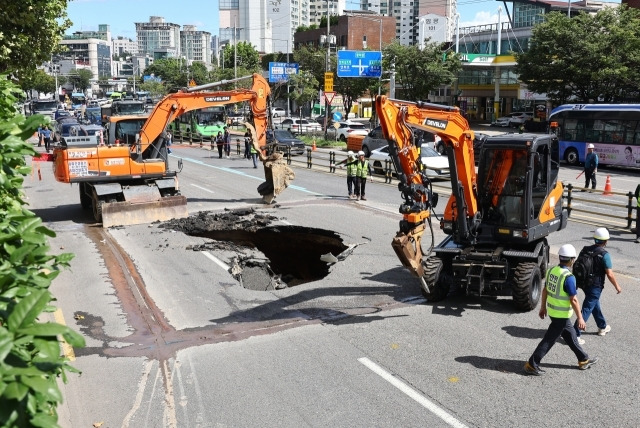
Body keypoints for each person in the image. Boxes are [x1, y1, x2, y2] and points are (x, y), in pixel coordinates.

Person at [524, 244, 598, 375]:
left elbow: (545, 290)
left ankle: (583, 359)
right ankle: (532, 364)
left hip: (553, 312)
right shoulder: (569, 277)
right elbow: (573, 299)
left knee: (570, 336)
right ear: (571, 260)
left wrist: (542, 307)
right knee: (549, 339)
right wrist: (580, 318)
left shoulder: (551, 271)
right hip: (561, 315)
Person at [573, 228, 622, 344]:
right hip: (595, 286)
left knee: (594, 304)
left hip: (583, 283)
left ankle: (602, 327)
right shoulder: (605, 255)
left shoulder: (585, 249)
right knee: (587, 308)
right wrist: (617, 286)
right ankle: (575, 334)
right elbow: (609, 274)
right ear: (605, 241)